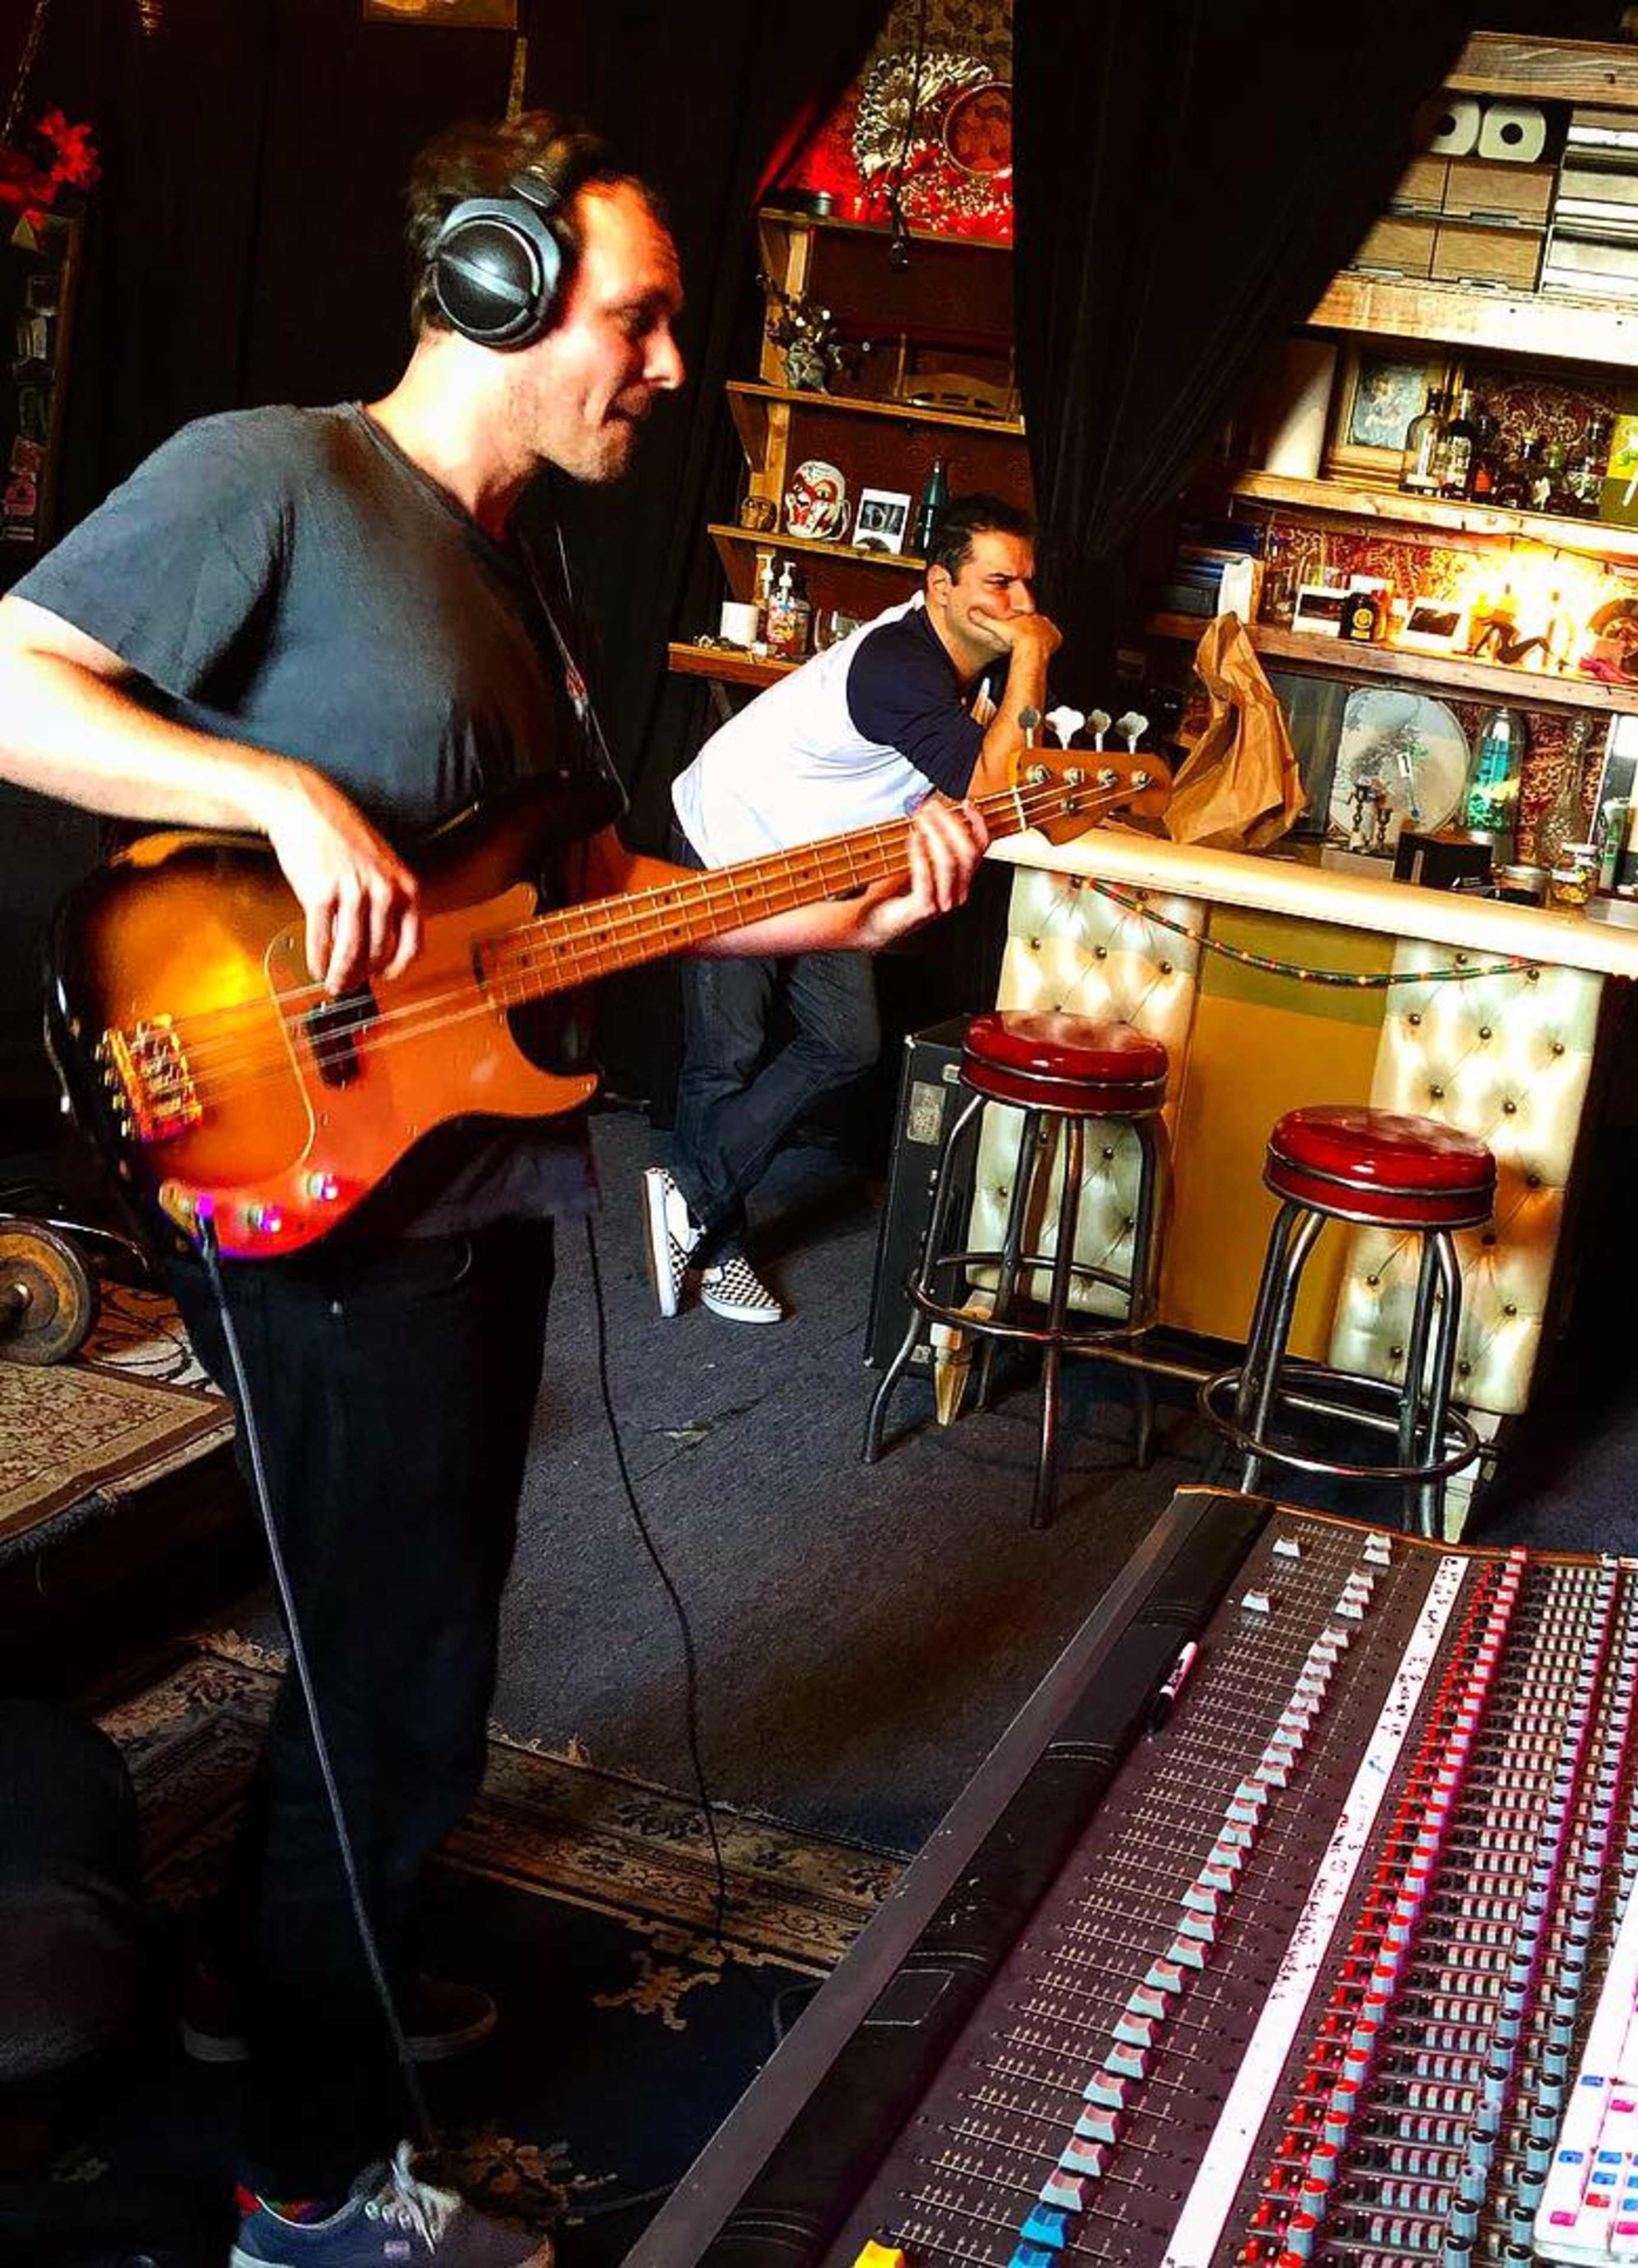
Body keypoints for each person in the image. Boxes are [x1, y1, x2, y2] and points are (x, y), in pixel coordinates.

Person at [0, 115, 986, 2268]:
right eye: (635, 321)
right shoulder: (277, 474)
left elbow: (591, 899)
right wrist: (266, 791)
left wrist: (831, 919)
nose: (664, 368)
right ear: (494, 287)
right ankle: (312, 2193)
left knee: (399, 1649)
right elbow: (11, 682)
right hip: (319, 1182)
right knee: (402, 1686)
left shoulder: (522, 560)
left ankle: (278, 2001)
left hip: (469, 1181)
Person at [646, 494, 1059, 1321]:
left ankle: (687, 1189)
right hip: (730, 839)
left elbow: (969, 777)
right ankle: (718, 1247)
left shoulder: (964, 671)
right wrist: (1035, 654)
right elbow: (991, 782)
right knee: (728, 1051)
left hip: (812, 860)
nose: (1018, 606)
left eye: (1027, 588)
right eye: (998, 583)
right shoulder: (900, 664)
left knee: (848, 1040)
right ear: (939, 585)